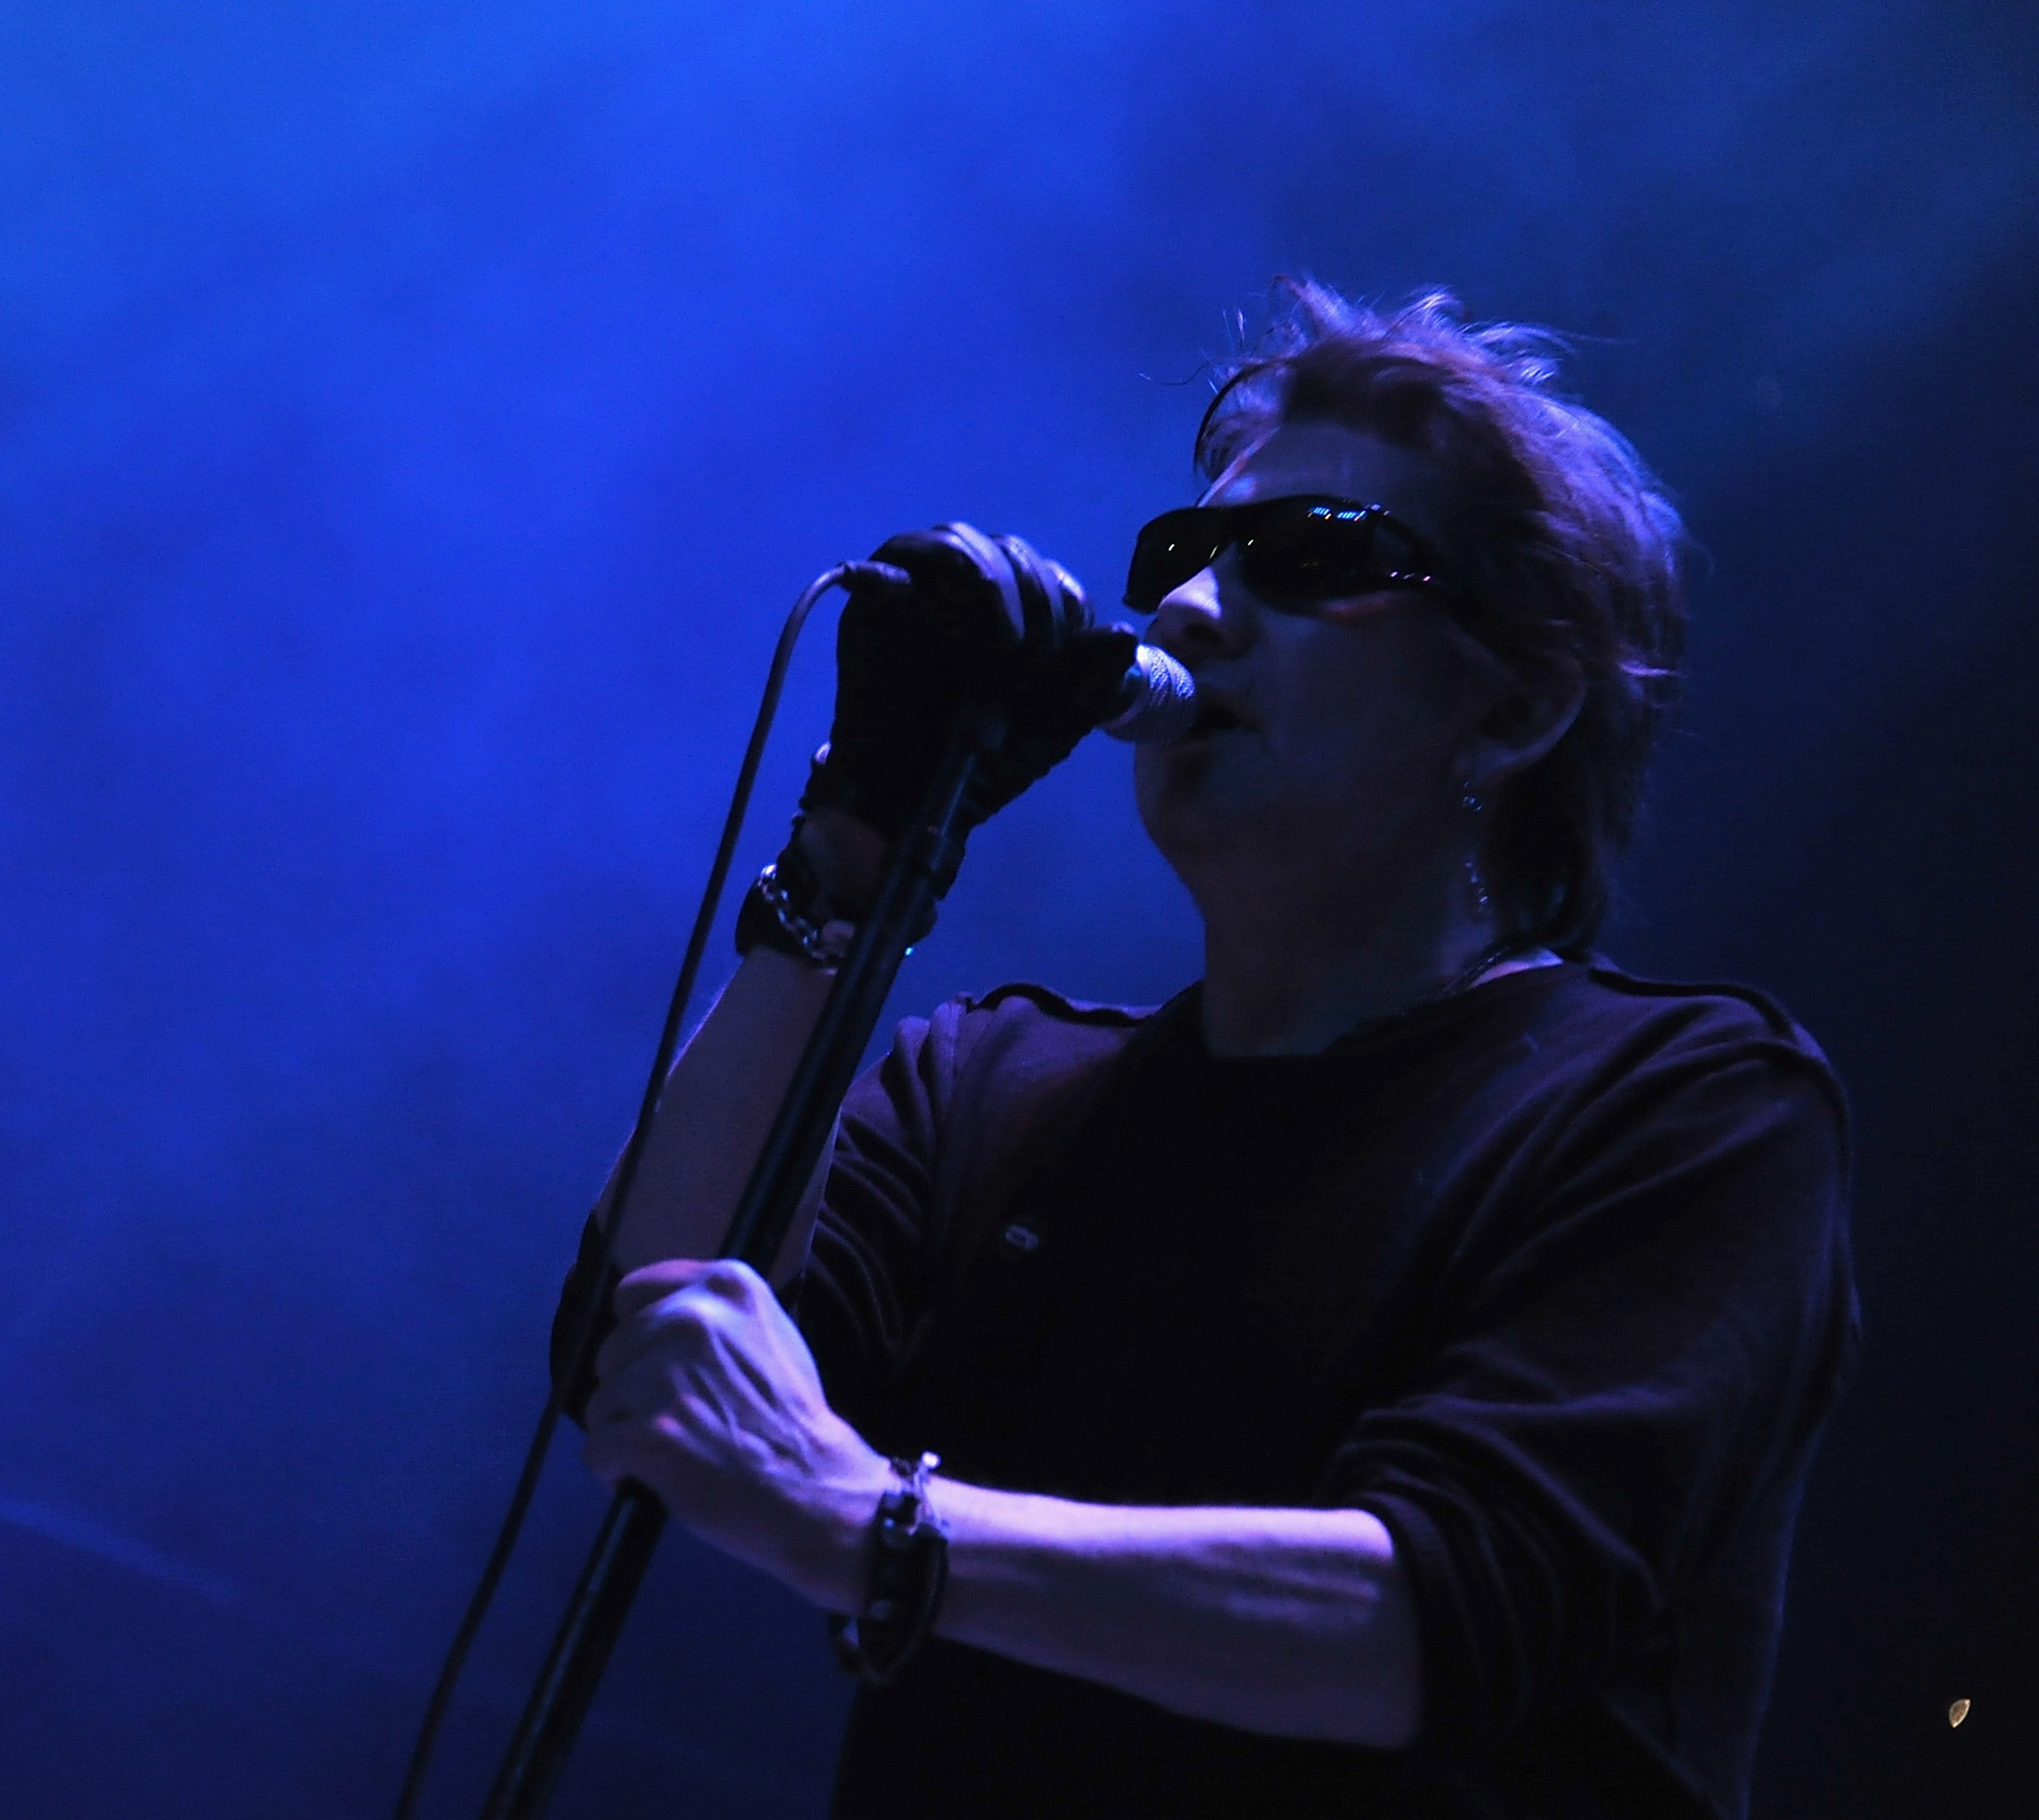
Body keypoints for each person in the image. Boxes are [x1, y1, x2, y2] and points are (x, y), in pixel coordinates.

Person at [558, 283, 1858, 1817]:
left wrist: (878, 1532)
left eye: (1312, 560)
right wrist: (850, 850)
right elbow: (650, 1355)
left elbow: (1433, 1617)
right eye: (1183, 554)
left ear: (1515, 710)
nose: (1183, 606)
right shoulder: (989, 1082)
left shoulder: (1683, 1108)